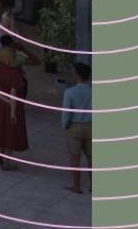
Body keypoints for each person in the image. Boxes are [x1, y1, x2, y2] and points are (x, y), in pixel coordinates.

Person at [0, 46, 29, 170]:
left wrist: (4, 100)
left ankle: (1, 155)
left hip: (2, 104)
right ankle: (7, 162)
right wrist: (13, 112)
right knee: (11, 133)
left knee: (3, 128)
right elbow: (13, 94)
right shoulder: (14, 73)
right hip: (14, 107)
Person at [62, 62, 93, 194]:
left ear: (77, 75)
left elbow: (66, 112)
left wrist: (64, 126)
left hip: (74, 127)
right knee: (91, 157)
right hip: (91, 126)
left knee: (75, 157)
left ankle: (76, 185)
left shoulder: (69, 92)